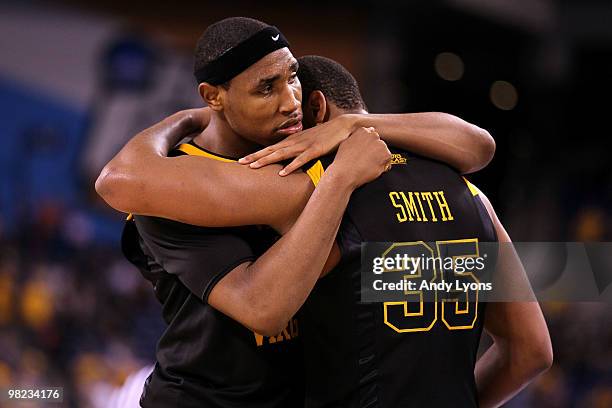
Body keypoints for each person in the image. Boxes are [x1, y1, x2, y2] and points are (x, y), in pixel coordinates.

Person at [98, 55, 551, 407]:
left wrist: (190, 120)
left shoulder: (314, 192)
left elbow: (124, 182)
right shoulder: (472, 195)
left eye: (287, 124)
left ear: (314, 108)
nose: (278, 142)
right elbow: (533, 351)